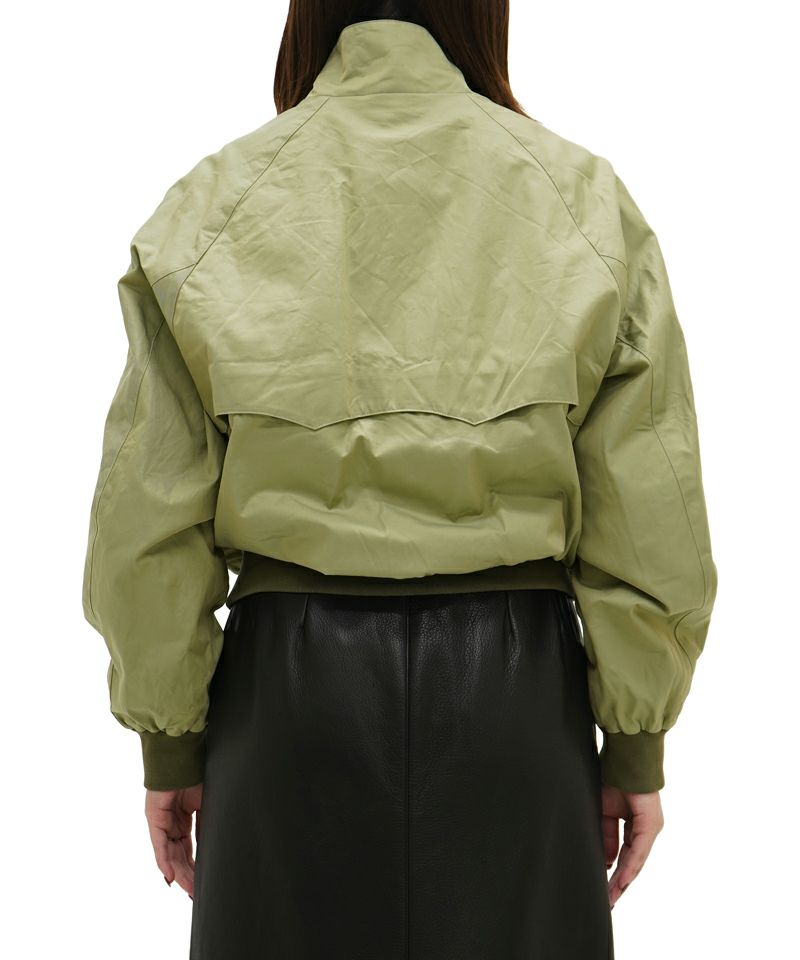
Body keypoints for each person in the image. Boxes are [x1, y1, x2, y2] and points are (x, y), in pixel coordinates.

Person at [81, 2, 718, 957]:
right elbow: (652, 502)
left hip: (285, 702)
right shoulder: (582, 201)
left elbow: (145, 515)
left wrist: (169, 740)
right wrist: (635, 739)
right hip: (516, 702)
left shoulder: (213, 206)